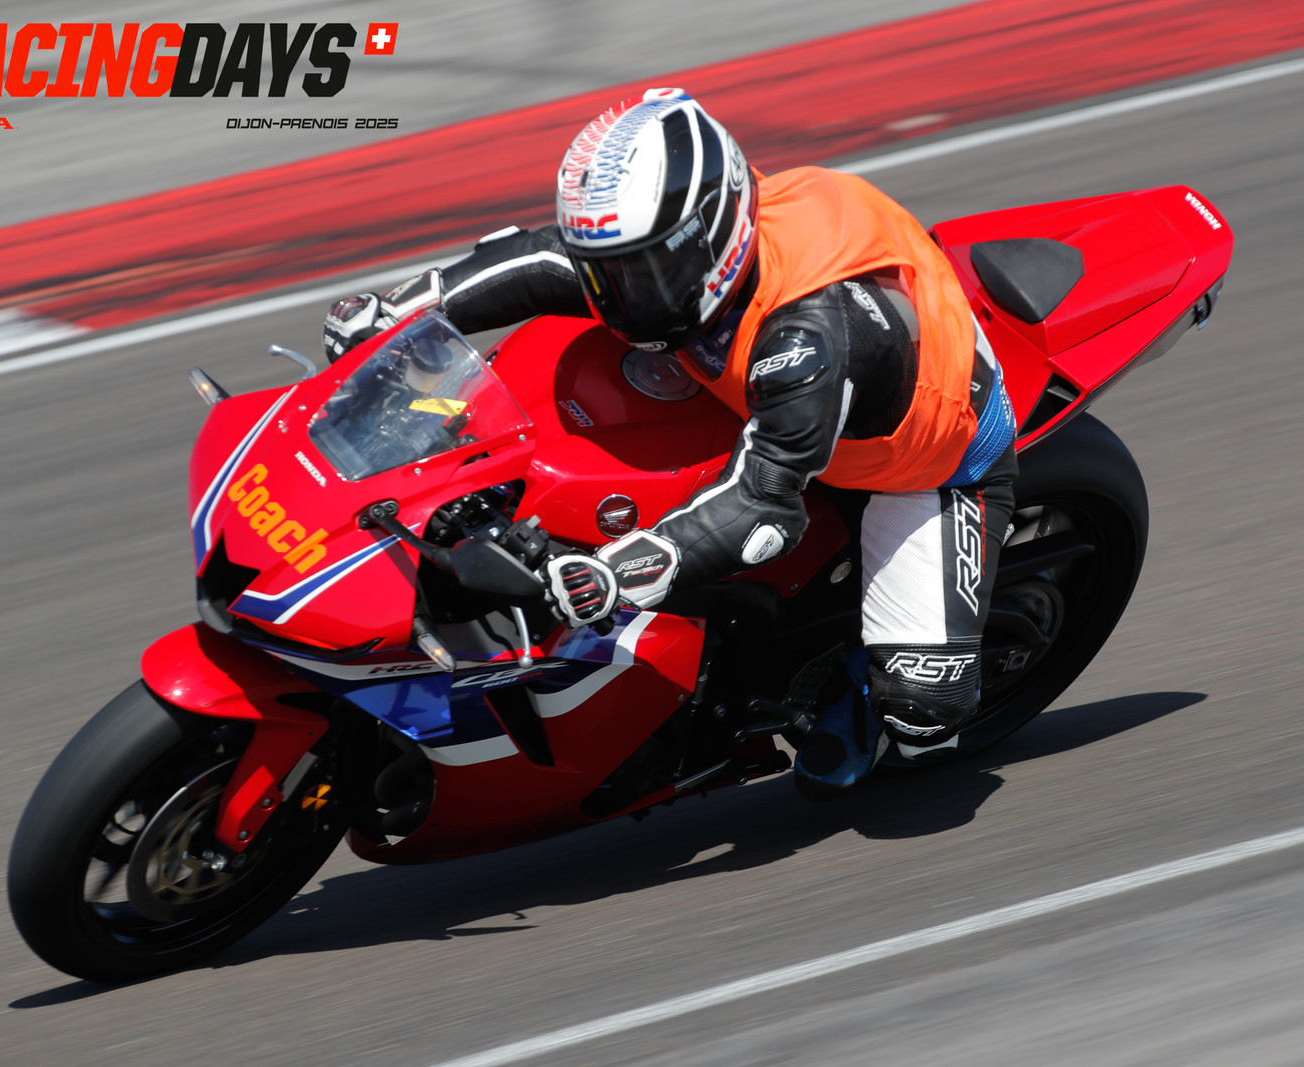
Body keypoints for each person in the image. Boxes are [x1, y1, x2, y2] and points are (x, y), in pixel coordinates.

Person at [323, 88, 1016, 800]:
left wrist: (613, 576)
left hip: (933, 460)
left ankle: (857, 693)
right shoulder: (684, 250)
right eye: (609, 270)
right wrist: (399, 311)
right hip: (799, 387)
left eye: (642, 273)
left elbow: (763, 508)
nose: (617, 295)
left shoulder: (804, 339)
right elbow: (547, 259)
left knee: (924, 710)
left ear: (712, 237)